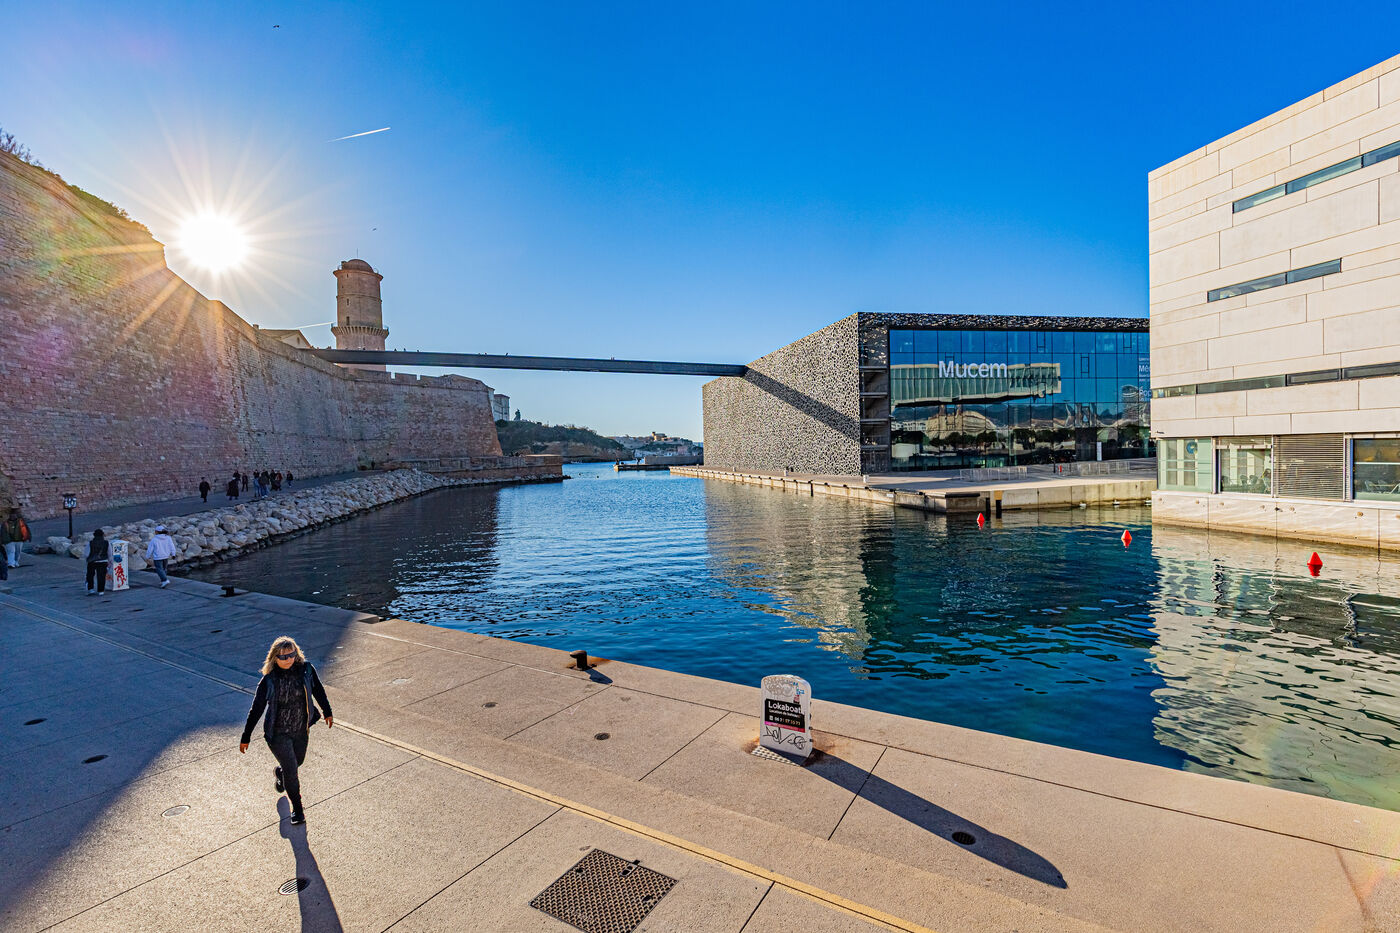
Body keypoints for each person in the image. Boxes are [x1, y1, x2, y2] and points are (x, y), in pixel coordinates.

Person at [239, 637, 333, 825]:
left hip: (300, 728)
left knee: (298, 762)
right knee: (292, 770)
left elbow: (318, 690)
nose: (288, 659)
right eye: (283, 657)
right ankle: (298, 809)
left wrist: (327, 711)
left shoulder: (306, 670)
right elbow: (256, 709)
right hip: (278, 733)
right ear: (274, 658)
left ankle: (281, 773)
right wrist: (246, 736)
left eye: (291, 655)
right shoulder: (269, 680)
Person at [85, 529, 109, 594]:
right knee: (101, 576)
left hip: (92, 561)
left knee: (90, 575)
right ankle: (101, 591)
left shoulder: (90, 543)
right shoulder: (106, 543)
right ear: (102, 535)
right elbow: (109, 553)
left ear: (94, 535)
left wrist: (88, 558)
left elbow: (86, 554)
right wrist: (110, 561)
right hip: (103, 561)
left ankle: (91, 589)